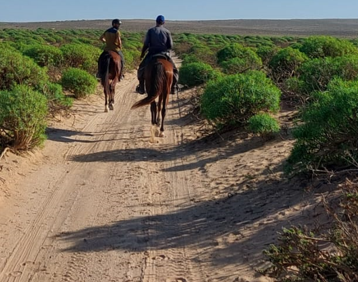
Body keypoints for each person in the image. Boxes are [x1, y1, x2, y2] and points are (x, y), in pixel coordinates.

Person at [136, 15, 179, 94]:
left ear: (156, 22)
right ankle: (174, 87)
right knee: (175, 70)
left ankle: (141, 87)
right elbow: (171, 46)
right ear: (163, 22)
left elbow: (146, 44)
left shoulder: (150, 31)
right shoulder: (167, 32)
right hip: (164, 54)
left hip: (151, 54)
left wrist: (142, 54)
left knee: (141, 68)